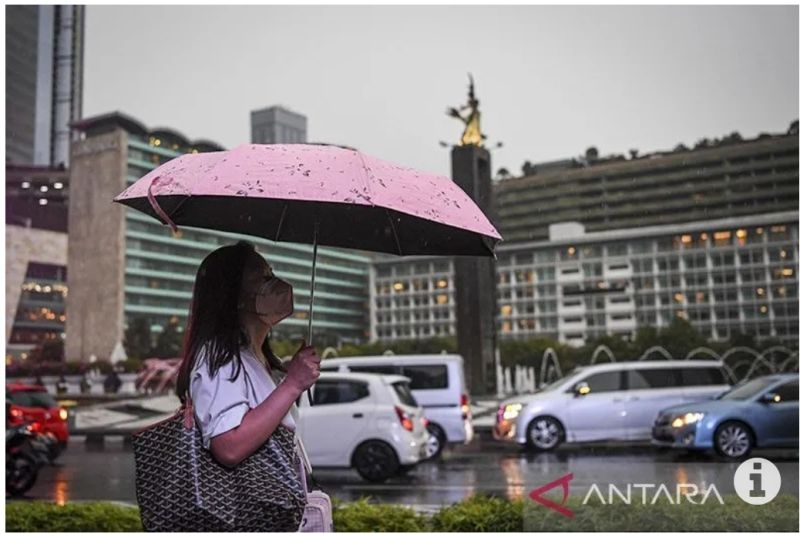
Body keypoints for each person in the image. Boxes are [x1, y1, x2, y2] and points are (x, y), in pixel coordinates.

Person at [174, 240, 320, 477]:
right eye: (262, 277)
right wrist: (293, 385)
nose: (276, 284)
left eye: (271, 274)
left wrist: (290, 379)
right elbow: (229, 446)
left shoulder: (257, 358)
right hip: (245, 510)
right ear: (233, 294)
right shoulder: (220, 358)